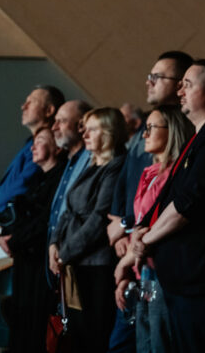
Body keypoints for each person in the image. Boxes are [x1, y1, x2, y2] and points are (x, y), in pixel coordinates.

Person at [132, 59, 205, 353]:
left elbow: (187, 204)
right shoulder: (199, 138)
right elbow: (171, 200)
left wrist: (146, 239)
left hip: (202, 281)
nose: (179, 90)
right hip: (183, 279)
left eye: (188, 85)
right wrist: (143, 233)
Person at [106, 51, 191, 353]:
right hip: (135, 258)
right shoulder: (144, 140)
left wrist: (131, 240)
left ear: (182, 82)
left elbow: (167, 210)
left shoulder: (186, 140)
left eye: (157, 77)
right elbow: (124, 189)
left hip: (157, 262)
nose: (149, 82)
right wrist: (118, 226)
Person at [48, 107, 127, 353]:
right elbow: (68, 209)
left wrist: (64, 252)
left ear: (109, 132)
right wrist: (53, 244)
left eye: (93, 129)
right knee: (77, 337)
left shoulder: (115, 167)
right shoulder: (91, 166)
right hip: (75, 262)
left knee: (92, 337)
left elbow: (99, 219)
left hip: (95, 266)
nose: (85, 134)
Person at [0, 127, 66, 353]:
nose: (32, 147)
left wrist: (14, 240)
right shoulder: (37, 179)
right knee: (19, 320)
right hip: (23, 258)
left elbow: (46, 221)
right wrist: (4, 237)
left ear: (57, 148)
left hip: (39, 263)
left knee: (33, 325)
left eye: (40, 141)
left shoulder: (60, 179)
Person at [0, 85, 64, 235]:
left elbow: (24, 183)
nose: (23, 106)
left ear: (49, 111)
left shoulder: (48, 146)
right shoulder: (29, 144)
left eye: (31, 102)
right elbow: (8, 184)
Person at [46, 100, 94, 286]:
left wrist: (64, 250)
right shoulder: (69, 160)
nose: (54, 127)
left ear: (81, 125)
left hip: (79, 259)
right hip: (59, 258)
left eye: (62, 121)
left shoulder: (91, 159)